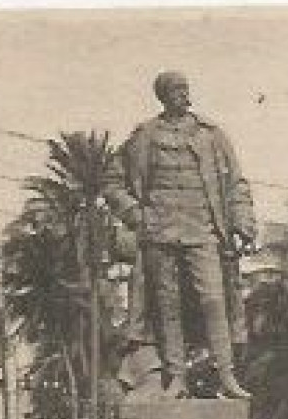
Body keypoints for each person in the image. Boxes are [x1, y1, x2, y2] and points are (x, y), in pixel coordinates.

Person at [103, 71, 257, 400]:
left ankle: (226, 375)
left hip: (203, 230)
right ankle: (176, 379)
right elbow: (112, 182)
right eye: (176, 90)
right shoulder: (145, 136)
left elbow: (236, 185)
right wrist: (135, 214)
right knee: (167, 307)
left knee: (215, 301)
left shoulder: (212, 135)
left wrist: (243, 221)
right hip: (159, 234)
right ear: (163, 95)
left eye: (185, 88)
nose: (183, 94)